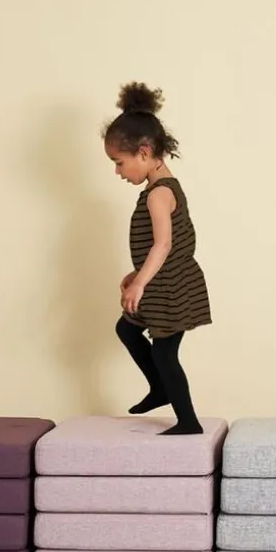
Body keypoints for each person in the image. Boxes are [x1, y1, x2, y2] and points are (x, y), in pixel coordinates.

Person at [103, 82, 211, 435]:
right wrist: (136, 274)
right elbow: (165, 246)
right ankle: (160, 388)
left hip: (170, 288)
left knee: (165, 353)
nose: (118, 172)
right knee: (127, 329)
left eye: (119, 163)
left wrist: (140, 284)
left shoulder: (158, 194)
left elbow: (163, 245)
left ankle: (188, 421)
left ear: (144, 152)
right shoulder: (161, 187)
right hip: (163, 281)